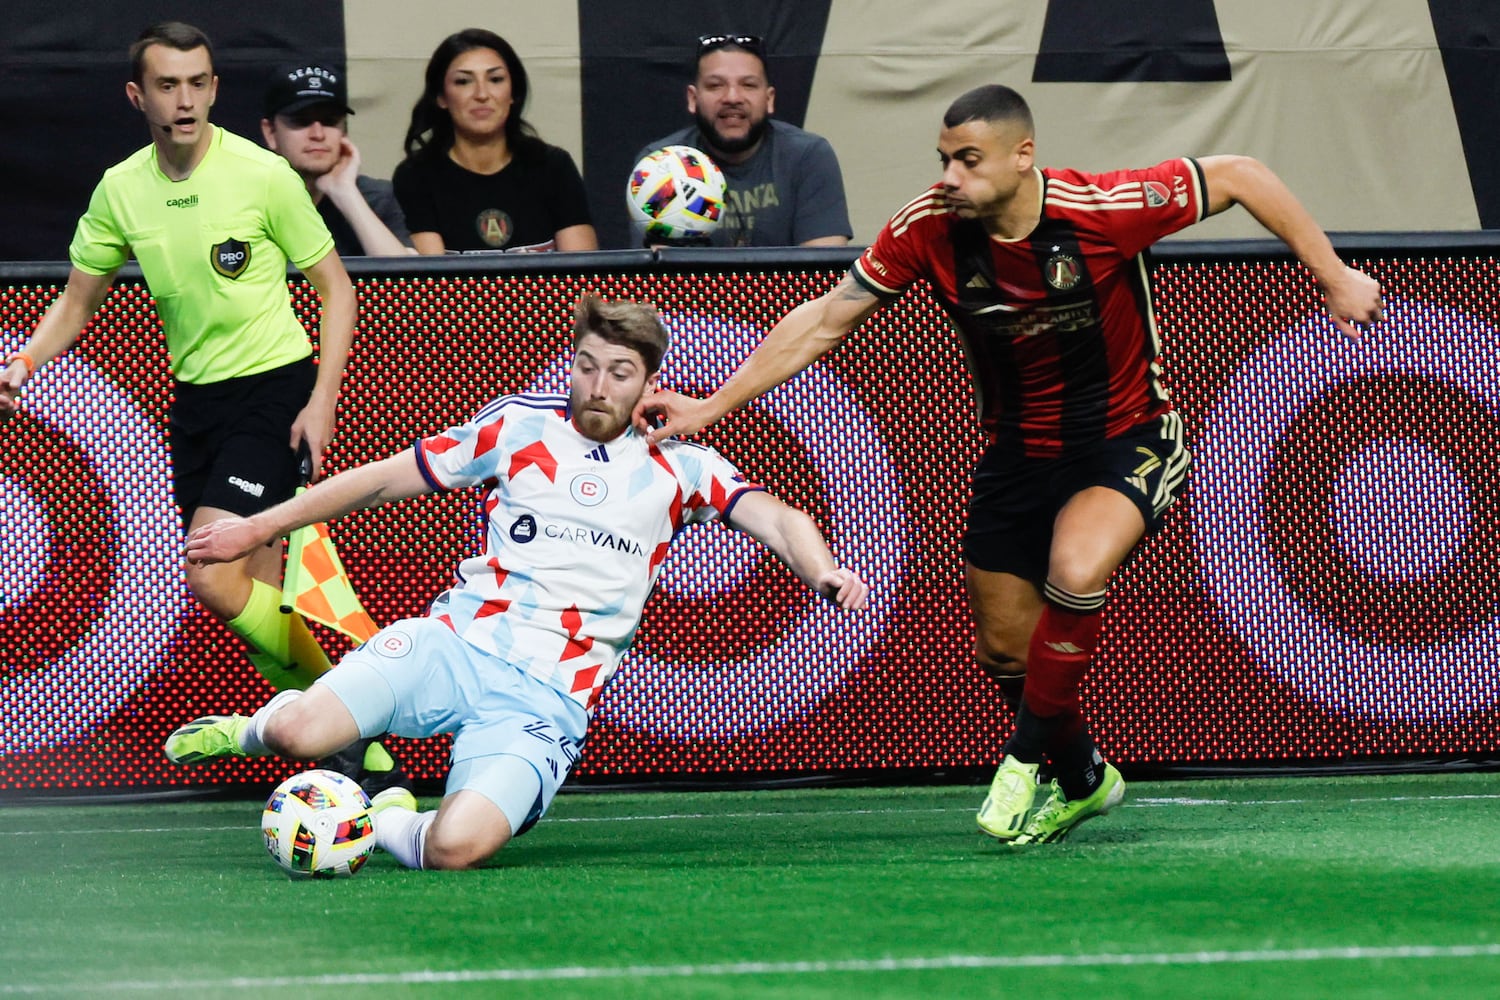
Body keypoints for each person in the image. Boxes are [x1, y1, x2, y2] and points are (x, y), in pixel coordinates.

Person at [635, 84, 1385, 845]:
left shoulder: (1103, 207)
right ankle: (1086, 780)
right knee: (1003, 648)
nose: (949, 177)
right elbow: (828, 318)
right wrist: (710, 407)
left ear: (1023, 156)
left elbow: (1242, 173)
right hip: (1017, 457)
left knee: (1077, 569)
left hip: (1128, 439)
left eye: (968, 160)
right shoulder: (928, 228)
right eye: (943, 160)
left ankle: (1023, 762)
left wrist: (1332, 274)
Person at [169, 294, 869, 871]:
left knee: (452, 848)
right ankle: (254, 727)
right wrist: (259, 526)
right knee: (300, 734)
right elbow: (380, 480)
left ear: (651, 382)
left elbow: (779, 519)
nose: (597, 386)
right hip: (453, 645)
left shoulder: (685, 467)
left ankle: (383, 815)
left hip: (547, 698)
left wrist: (825, 570)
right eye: (587, 365)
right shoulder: (517, 425)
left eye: (620, 373)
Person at [0, 22, 405, 794]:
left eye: (197, 83)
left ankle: (349, 723)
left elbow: (337, 289)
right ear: (137, 95)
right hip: (197, 405)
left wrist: (321, 400)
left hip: (275, 389)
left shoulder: (263, 175)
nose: (183, 100)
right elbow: (76, 301)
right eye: (166, 85)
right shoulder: (121, 189)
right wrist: (22, 361)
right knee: (254, 586)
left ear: (215, 88)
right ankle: (344, 734)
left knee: (210, 574)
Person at [631, 33, 852, 248]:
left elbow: (822, 270)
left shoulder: (808, 157)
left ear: (769, 99)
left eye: (748, 85)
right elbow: (659, 269)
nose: (732, 98)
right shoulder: (659, 165)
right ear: (693, 99)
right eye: (715, 85)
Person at [392, 28, 598, 254]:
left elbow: (583, 279)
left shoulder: (553, 166)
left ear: (513, 93)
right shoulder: (416, 175)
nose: (482, 94)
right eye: (463, 81)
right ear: (441, 97)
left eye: (495, 79)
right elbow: (431, 281)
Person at [260, 62, 414, 257]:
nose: (317, 134)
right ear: (271, 133)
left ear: (344, 131)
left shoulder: (374, 198)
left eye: (330, 121)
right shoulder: (244, 198)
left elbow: (402, 281)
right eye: (301, 121)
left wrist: (346, 193)